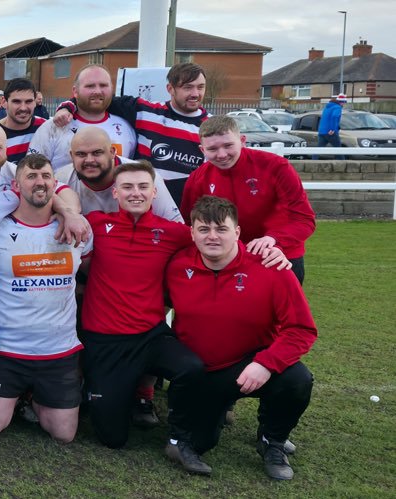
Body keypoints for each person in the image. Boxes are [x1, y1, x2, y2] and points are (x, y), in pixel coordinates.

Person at [77, 161, 290, 449]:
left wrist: (270, 253)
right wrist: (67, 214)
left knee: (192, 367)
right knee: (112, 438)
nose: (135, 193)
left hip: (150, 336)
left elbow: (217, 241)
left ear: (155, 193)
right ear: (116, 193)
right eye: (127, 187)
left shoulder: (173, 233)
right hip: (104, 341)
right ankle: (127, 395)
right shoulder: (96, 224)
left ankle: (181, 430)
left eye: (143, 187)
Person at [162, 196, 316, 480]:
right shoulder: (176, 266)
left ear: (237, 232)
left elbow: (301, 329)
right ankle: (210, 413)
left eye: (221, 229)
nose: (212, 236)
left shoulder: (272, 268)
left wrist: (266, 364)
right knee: (198, 443)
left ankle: (273, 440)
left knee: (297, 379)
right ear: (192, 233)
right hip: (200, 373)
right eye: (203, 229)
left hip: (247, 365)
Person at [0, 155, 91, 443]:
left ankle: (33, 397)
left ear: (55, 182)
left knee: (63, 434)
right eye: (32, 176)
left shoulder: (78, 229)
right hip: (7, 350)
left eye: (46, 176)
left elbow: (87, 273)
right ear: (16, 184)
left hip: (58, 352)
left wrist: (68, 213)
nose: (40, 182)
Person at [52, 62, 212, 201]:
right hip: (140, 203)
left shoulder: (211, 128)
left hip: (184, 207)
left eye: (200, 87)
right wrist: (67, 107)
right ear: (170, 88)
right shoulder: (145, 111)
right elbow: (95, 98)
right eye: (188, 87)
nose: (195, 94)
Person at [184, 116, 317, 282]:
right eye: (212, 149)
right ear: (202, 150)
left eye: (228, 145)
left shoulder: (276, 167)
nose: (222, 154)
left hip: (279, 256)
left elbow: (304, 219)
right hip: (226, 261)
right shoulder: (198, 178)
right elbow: (189, 226)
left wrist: (274, 239)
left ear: (242, 141)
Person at [55, 127, 181, 221]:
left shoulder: (144, 177)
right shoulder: (61, 178)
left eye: (97, 153)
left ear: (112, 152)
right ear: (72, 156)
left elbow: (175, 224)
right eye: (81, 154)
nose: (89, 160)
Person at [28, 65, 135, 168]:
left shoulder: (126, 128)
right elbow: (32, 170)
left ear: (111, 89)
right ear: (75, 91)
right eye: (90, 86)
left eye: (103, 85)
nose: (97, 91)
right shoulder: (52, 127)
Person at [0, 78, 45, 163]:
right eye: (17, 102)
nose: (23, 108)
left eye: (28, 101)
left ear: (34, 102)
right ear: (4, 102)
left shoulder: (45, 127)